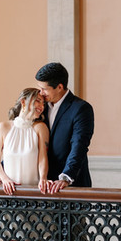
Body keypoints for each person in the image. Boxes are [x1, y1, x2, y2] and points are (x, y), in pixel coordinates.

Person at [35, 62, 94, 193]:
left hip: (72, 186)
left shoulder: (81, 109)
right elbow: (24, 135)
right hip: (41, 185)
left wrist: (66, 177)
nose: (40, 93)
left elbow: (79, 145)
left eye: (44, 89)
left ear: (60, 87)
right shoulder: (40, 107)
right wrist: (4, 170)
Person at [0, 88, 49, 196]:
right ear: (23, 101)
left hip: (34, 192)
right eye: (38, 101)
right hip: (9, 191)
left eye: (43, 103)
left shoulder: (41, 128)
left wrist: (43, 178)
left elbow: (43, 158)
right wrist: (4, 179)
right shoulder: (3, 127)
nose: (42, 106)